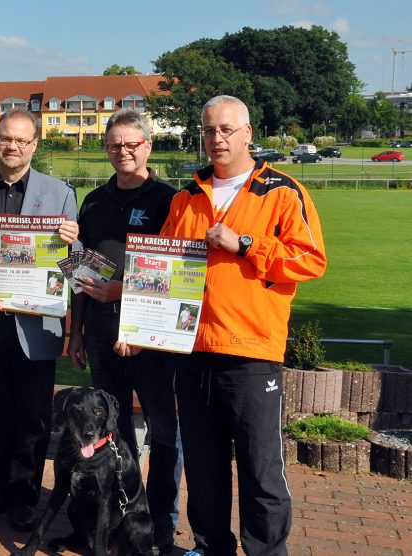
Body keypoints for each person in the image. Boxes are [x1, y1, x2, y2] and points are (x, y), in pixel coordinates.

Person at [118, 95, 326, 555]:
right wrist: (137, 325)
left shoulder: (281, 191)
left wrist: (246, 244)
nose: (217, 139)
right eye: (209, 130)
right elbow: (163, 273)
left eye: (227, 129)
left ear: (248, 132)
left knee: (260, 470)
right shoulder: (187, 198)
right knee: (205, 470)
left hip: (251, 352)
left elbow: (311, 261)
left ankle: (267, 552)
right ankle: (211, 548)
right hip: (193, 354)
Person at [65, 108, 183, 553]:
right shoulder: (94, 201)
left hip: (151, 337)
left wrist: (125, 293)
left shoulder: (169, 199)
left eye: (132, 143)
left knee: (163, 431)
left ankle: (162, 524)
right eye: (115, 144)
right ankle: (119, 516)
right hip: (99, 334)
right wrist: (75, 333)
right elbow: (81, 269)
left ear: (148, 146)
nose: (123, 151)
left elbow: (177, 274)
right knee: (114, 435)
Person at [0, 108, 78, 532]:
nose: (13, 147)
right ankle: (1, 488)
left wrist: (72, 246)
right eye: (6, 138)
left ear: (35, 144)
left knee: (32, 417)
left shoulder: (60, 193)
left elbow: (72, 268)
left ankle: (26, 497)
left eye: (22, 141)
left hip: (35, 324)